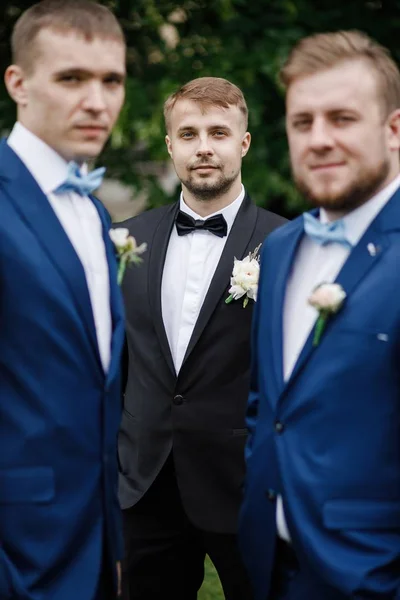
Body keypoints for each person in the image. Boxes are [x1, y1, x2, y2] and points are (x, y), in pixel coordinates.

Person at [239, 30, 400, 600]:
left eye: (342, 118)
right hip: (271, 570)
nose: (319, 138)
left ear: (394, 129)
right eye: (302, 122)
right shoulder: (281, 250)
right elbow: (268, 406)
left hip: (369, 575)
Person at [117, 76, 286, 600]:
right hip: (144, 486)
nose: (204, 147)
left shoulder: (286, 245)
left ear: (244, 142)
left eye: (218, 131)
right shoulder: (127, 240)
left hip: (244, 484)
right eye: (188, 134)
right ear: (170, 145)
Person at [0, 1, 126, 598]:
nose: (97, 102)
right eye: (72, 78)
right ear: (18, 84)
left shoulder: (95, 213)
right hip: (20, 553)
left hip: (93, 546)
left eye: (112, 80)